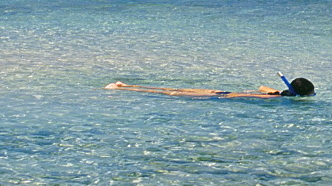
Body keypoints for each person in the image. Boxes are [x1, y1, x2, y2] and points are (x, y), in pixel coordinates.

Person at [104, 77, 315, 99]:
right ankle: (122, 88)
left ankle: (125, 86)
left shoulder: (275, 93)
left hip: (219, 90)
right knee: (171, 93)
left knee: (174, 89)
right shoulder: (274, 98)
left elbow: (261, 86)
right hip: (223, 96)